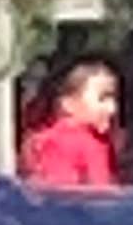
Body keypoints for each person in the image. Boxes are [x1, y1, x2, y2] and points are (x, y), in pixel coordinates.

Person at [16, 53, 126, 191]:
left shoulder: (98, 141)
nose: (112, 109)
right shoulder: (60, 143)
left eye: (114, 99)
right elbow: (61, 196)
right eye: (102, 99)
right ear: (69, 104)